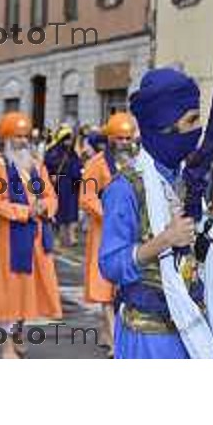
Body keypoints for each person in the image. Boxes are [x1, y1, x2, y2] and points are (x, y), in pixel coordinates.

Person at [98, 67, 213, 359]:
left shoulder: (185, 178)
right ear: (165, 127)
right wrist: (165, 240)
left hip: (196, 329)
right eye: (191, 120)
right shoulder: (125, 188)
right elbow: (111, 265)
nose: (198, 130)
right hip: (150, 337)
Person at [0, 112, 62, 359]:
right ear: (7, 138)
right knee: (10, 292)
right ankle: (8, 347)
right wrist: (25, 211)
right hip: (8, 242)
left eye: (25, 136)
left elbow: (51, 196)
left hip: (36, 240)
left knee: (27, 291)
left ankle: (19, 331)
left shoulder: (36, 165)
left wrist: (47, 207)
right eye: (17, 136)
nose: (23, 141)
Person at [80, 112, 138, 357]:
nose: (125, 143)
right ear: (110, 139)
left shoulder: (138, 162)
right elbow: (86, 197)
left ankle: (108, 332)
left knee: (124, 286)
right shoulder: (96, 164)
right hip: (104, 231)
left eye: (129, 138)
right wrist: (109, 213)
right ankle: (116, 342)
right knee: (105, 287)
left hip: (131, 233)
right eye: (121, 138)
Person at [44, 124, 82, 247]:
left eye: (70, 139)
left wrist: (78, 182)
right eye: (67, 138)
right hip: (59, 186)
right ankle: (60, 237)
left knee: (72, 212)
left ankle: (71, 237)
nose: (69, 141)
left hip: (71, 186)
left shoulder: (73, 153)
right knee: (59, 212)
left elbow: (78, 166)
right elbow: (47, 165)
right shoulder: (53, 151)